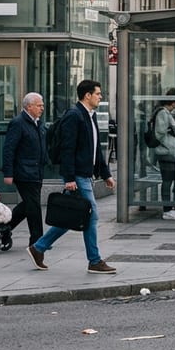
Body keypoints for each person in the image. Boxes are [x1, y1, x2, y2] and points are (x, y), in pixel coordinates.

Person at [26, 80, 117, 274]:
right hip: (77, 176)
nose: (100, 97)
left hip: (85, 174)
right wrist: (69, 178)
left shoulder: (89, 116)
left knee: (73, 216)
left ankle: (38, 248)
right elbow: (68, 149)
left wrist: (106, 173)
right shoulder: (74, 116)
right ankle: (94, 260)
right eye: (98, 94)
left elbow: (95, 150)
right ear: (87, 95)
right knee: (91, 215)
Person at [3, 92, 49, 253]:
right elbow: (9, 149)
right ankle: (37, 241)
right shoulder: (18, 123)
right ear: (29, 106)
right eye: (39, 105)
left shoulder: (38, 123)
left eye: (42, 105)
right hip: (24, 172)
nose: (42, 108)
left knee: (28, 205)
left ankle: (4, 228)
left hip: (37, 171)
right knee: (34, 207)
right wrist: (8, 173)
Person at [152, 89, 175, 220]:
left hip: (169, 150)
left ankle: (171, 207)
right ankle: (167, 209)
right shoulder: (163, 113)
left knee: (171, 180)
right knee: (168, 181)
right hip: (166, 151)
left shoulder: (167, 113)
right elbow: (159, 132)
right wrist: (173, 132)